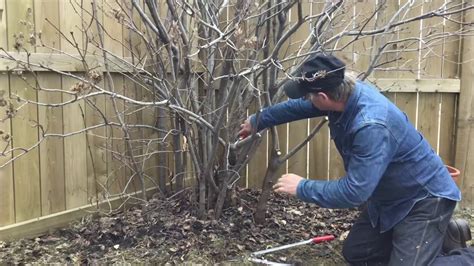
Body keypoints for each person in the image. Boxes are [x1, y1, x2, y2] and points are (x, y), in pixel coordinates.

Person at [238, 54, 473, 265]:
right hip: (389, 197)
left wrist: (302, 187)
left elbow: (355, 192)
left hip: (424, 199)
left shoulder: (371, 124)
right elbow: (299, 107)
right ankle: (434, 239)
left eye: (309, 97)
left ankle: (458, 253)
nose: (307, 101)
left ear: (322, 96)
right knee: (358, 254)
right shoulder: (344, 93)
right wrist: (259, 119)